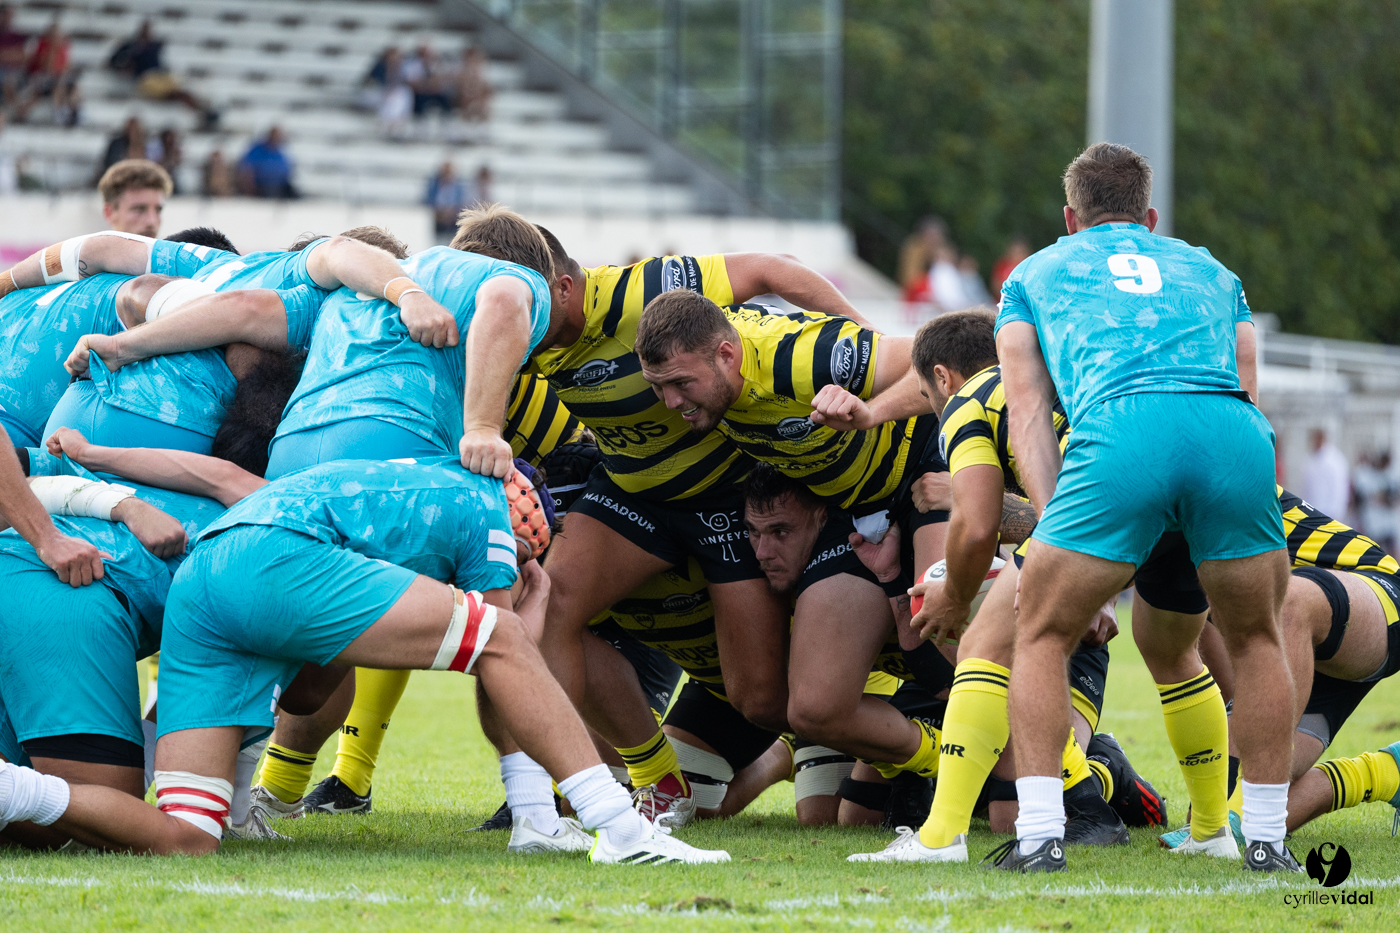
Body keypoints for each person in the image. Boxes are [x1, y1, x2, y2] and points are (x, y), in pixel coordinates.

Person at [0, 435, 729, 864]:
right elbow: (509, 662)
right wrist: (531, 600)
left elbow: (314, 689)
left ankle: (15, 789)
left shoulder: (393, 485)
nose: (535, 542)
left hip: (206, 579)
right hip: (263, 560)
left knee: (184, 836)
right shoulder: (483, 500)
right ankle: (625, 830)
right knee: (502, 636)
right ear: (520, 492)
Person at [993, 142, 1291, 872]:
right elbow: (1249, 383)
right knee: (1256, 639)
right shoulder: (1215, 271)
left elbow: (1027, 413)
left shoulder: (1032, 274)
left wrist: (1052, 525)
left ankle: (1038, 836)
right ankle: (1267, 840)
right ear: (1149, 217)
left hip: (1123, 431)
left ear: (1071, 218)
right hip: (1231, 435)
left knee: (1041, 630)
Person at [526, 241, 877, 828]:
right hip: (634, 491)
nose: (519, 325)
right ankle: (634, 780)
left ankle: (805, 738)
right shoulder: (515, 337)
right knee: (545, 602)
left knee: (761, 700)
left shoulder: (645, 292)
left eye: (524, 307)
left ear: (560, 287)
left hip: (722, 496)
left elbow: (770, 269)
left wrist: (860, 337)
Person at [847, 309, 1163, 865]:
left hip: (1074, 607)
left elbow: (1057, 519)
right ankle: (1225, 825)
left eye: (926, 394)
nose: (926, 408)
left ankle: (1098, 781)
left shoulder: (980, 410)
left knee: (1006, 799)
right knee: (850, 814)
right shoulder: (1031, 393)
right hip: (1150, 507)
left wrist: (972, 530)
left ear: (944, 380)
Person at [107, 18, 217, 129]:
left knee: (183, 89)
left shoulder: (154, 45)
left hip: (159, 76)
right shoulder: (131, 45)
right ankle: (202, 112)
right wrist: (125, 69)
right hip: (145, 80)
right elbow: (113, 62)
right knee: (177, 94)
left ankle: (203, 111)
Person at [96, 159, 170, 238]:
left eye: (158, 210)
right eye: (139, 210)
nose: (151, 221)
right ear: (109, 213)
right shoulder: (87, 249)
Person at [1303, 428, 1351, 523]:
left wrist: (1336, 513)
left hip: (1330, 513)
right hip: (1312, 511)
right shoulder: (1310, 459)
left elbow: (1339, 488)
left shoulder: (1335, 460)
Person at [238, 127, 296, 199]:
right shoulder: (257, 150)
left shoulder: (281, 151)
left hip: (282, 185)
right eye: (274, 136)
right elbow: (247, 168)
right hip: (262, 185)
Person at [426, 161, 467, 236]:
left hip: (453, 221)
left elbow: (461, 204)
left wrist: (451, 213)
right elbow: (429, 202)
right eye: (445, 173)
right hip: (437, 221)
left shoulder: (458, 188)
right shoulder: (434, 186)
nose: (447, 175)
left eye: (449, 173)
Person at [0, 4, 28, 106]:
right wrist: (12, 53)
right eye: (5, 15)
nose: (8, 18)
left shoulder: (17, 36)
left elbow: (24, 56)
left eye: (11, 15)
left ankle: (14, 109)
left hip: (14, 72)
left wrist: (4, 54)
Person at [455, 46, 491, 122]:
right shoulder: (461, 67)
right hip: (464, 90)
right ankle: (467, 114)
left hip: (476, 90)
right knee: (466, 90)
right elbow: (460, 81)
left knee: (486, 91)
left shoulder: (479, 67)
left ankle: (482, 114)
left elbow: (482, 81)